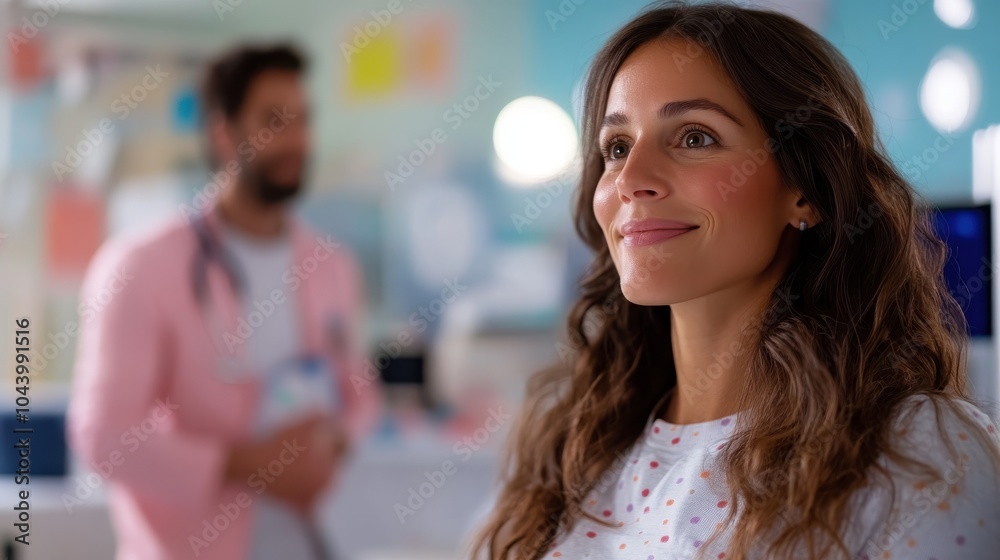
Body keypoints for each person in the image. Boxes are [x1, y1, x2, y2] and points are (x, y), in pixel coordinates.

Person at [472, 3, 1000, 560]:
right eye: (617, 148)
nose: (631, 180)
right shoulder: (569, 447)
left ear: (804, 187)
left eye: (695, 137)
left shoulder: (920, 454)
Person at [67, 44, 381, 560]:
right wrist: (247, 463)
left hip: (312, 543)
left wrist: (331, 446)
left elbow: (360, 398)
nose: (298, 139)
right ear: (223, 132)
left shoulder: (333, 266)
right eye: (274, 121)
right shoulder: (140, 268)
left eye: (305, 120)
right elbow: (102, 436)